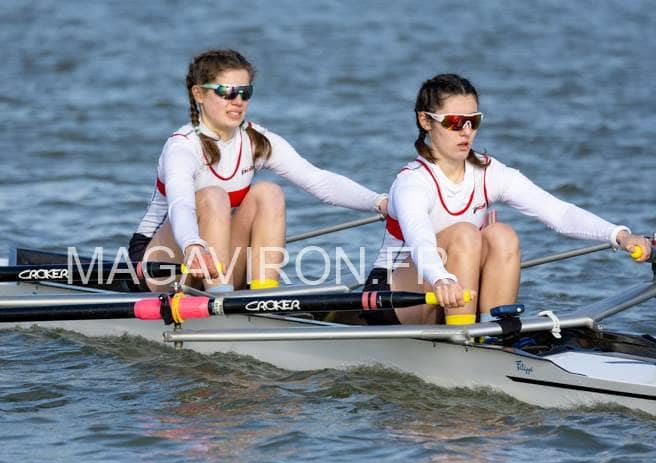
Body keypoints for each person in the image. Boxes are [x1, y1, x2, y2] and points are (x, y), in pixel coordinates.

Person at [364, 73, 651, 326]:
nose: (467, 132)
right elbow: (420, 240)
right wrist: (441, 278)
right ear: (425, 121)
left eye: (473, 121)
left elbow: (559, 213)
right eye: (455, 122)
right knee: (465, 234)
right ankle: (463, 339)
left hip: (454, 291)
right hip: (393, 296)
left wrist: (620, 236)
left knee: (502, 235)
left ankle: (489, 335)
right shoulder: (412, 182)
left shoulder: (490, 173)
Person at [129, 49, 387, 292]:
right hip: (161, 264)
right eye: (227, 92)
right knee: (213, 196)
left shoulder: (256, 140)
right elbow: (181, 205)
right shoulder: (182, 148)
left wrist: (380, 202)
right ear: (199, 94)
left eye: (245, 92)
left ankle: (263, 296)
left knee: (269, 192)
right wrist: (192, 243)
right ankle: (219, 297)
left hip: (217, 260)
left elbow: (318, 181)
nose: (238, 101)